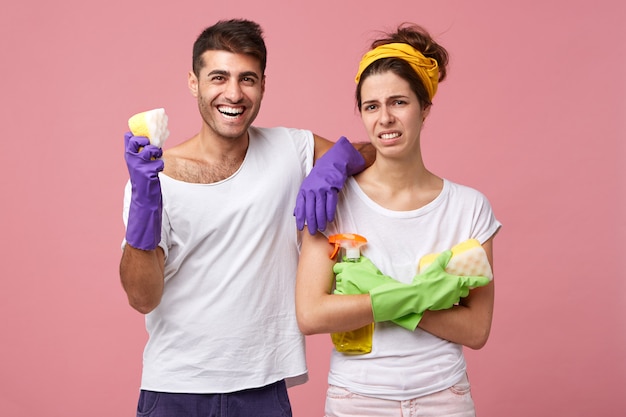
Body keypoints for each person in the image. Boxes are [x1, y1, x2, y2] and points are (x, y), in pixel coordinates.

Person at [120, 19, 372, 417]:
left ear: (263, 85)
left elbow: (371, 151)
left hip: (262, 387)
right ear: (193, 82)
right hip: (174, 389)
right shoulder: (156, 176)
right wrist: (144, 206)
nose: (233, 93)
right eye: (218, 77)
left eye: (247, 79)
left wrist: (338, 162)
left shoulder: (292, 149)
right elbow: (142, 297)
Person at [295, 23, 502, 416]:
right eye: (372, 106)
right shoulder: (332, 202)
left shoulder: (470, 208)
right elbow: (311, 314)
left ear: (425, 108)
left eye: (399, 102)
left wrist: (375, 292)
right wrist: (428, 295)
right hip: (356, 399)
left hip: (444, 397)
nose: (385, 118)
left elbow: (476, 329)